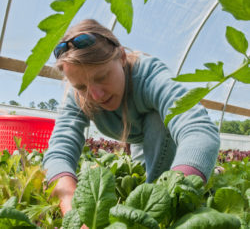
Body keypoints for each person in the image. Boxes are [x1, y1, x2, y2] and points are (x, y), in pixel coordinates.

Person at [43, 19, 220, 217]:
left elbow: (198, 129)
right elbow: (58, 152)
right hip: (140, 141)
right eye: (82, 87)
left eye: (101, 77)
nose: (96, 95)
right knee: (143, 176)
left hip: (162, 133)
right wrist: (72, 207)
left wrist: (175, 191)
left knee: (162, 120)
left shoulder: (148, 74)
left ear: (121, 57)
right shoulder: (78, 96)